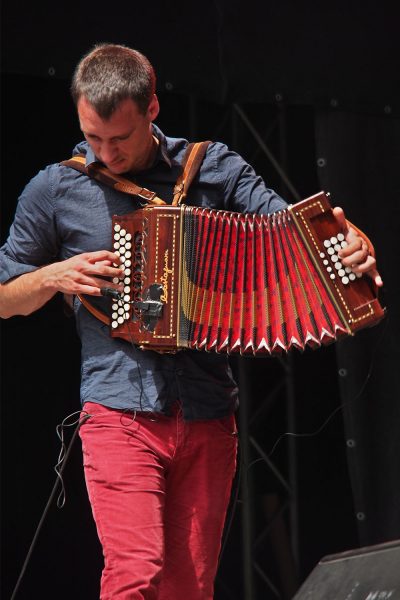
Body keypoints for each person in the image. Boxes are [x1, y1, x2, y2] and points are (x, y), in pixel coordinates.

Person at [0, 44, 382, 599]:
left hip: (207, 412)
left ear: (152, 108)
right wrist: (53, 276)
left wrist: (353, 245)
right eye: (92, 137)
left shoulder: (213, 167)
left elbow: (298, 235)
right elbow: (5, 297)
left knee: (189, 589)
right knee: (133, 577)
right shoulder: (56, 187)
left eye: (119, 139)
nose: (104, 153)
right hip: (117, 412)